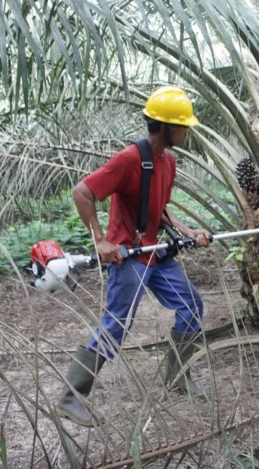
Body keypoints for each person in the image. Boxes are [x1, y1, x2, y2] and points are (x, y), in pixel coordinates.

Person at [57, 86, 212, 427]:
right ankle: (71, 396)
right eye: (182, 126)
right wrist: (100, 240)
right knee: (116, 324)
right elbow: (83, 192)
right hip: (128, 256)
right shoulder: (128, 159)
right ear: (164, 126)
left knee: (191, 306)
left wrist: (185, 231)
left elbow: (158, 208)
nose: (187, 132)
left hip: (156, 253)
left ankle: (178, 376)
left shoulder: (168, 161)